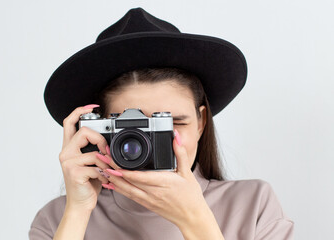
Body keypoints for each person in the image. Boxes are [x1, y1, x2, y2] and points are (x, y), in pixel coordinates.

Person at [29, 7, 294, 240]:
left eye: (172, 123)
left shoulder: (254, 205)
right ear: (98, 131)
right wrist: (77, 212)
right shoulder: (57, 218)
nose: (146, 144)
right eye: (130, 129)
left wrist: (194, 217)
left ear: (201, 122)